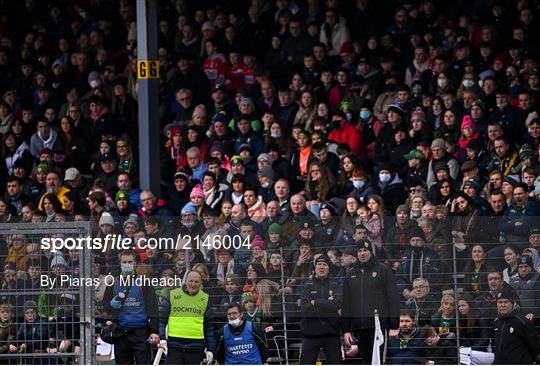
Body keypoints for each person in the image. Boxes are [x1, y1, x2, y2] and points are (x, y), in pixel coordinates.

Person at [342, 240, 400, 364]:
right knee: (366, 361)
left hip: (379, 325)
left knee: (379, 361)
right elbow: (346, 303)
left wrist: (394, 326)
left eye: (365, 250)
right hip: (359, 326)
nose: (362, 253)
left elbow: (393, 298)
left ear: (371, 252)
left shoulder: (383, 269)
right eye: (360, 251)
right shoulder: (350, 274)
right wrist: (346, 329)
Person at [103, 250, 160, 365]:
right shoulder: (113, 283)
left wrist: (154, 331)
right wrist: (111, 305)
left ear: (135, 263)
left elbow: (153, 308)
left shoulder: (144, 282)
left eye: (130, 261)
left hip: (141, 332)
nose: (127, 264)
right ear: (120, 263)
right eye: (124, 262)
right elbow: (106, 308)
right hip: (121, 333)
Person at [159, 270, 216, 364]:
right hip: (174, 346)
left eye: (196, 281)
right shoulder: (172, 295)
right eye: (190, 281)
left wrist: (210, 349)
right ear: (185, 281)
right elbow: (161, 319)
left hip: (196, 348)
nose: (193, 284)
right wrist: (162, 338)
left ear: (201, 283)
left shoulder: (205, 299)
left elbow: (209, 326)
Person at [299, 256, 343, 364]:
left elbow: (337, 304)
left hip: (331, 333)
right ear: (314, 268)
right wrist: (328, 304)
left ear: (329, 269)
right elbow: (306, 309)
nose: (321, 267)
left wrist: (316, 302)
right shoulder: (306, 286)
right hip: (311, 333)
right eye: (319, 264)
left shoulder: (335, 285)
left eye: (325, 265)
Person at [491, 288, 539, 364]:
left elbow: (534, 345)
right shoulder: (496, 322)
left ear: (513, 303)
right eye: (500, 302)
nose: (503, 305)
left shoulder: (523, 322)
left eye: (506, 302)